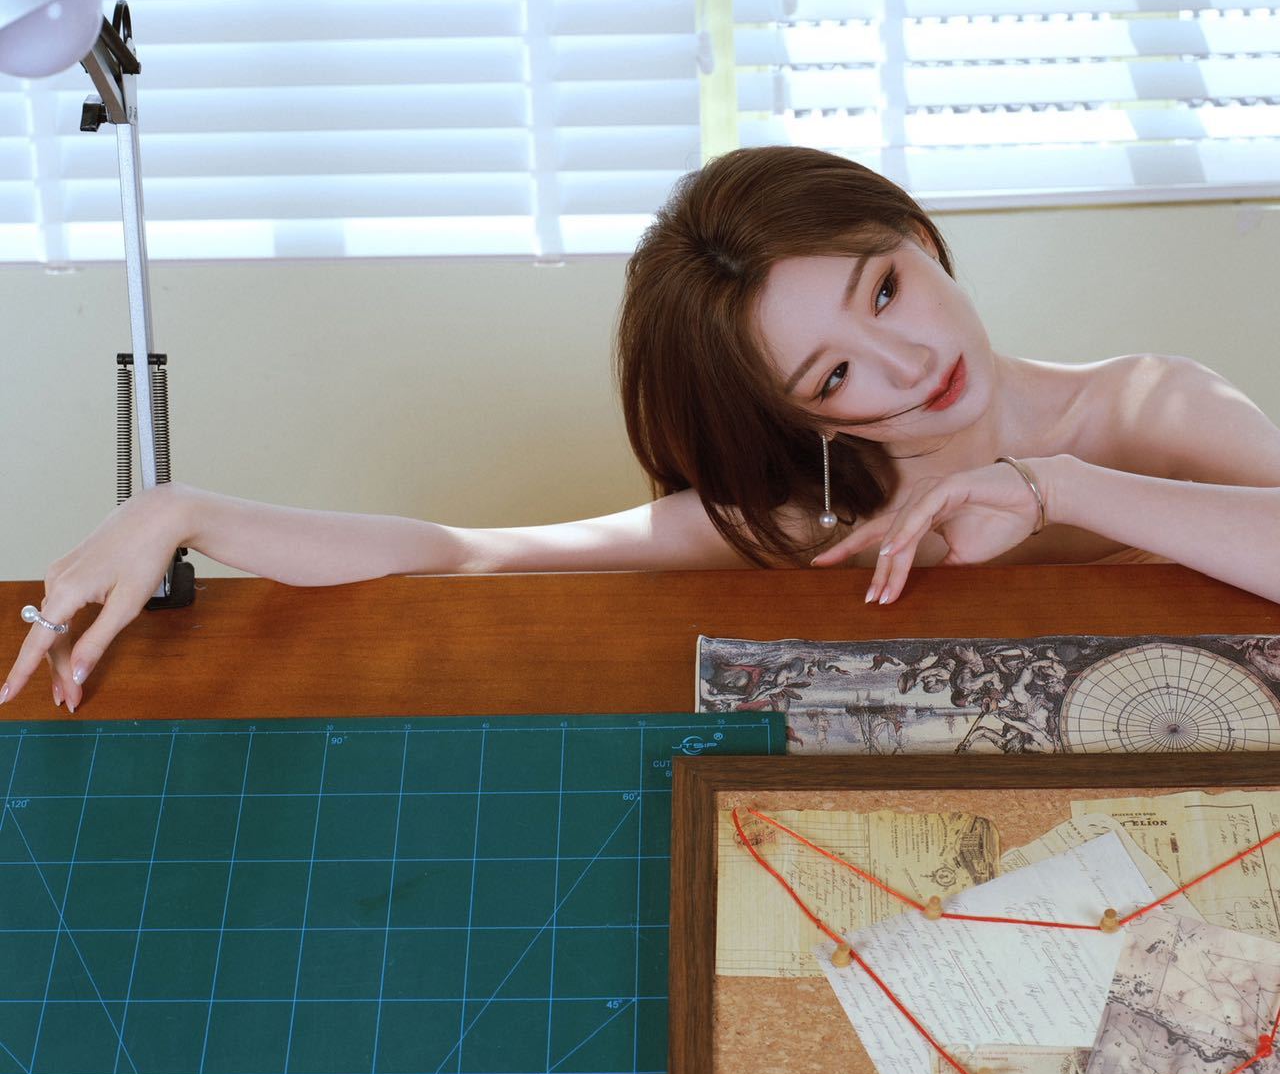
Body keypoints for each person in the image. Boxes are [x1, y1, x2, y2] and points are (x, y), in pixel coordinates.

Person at [6, 145, 1280, 716]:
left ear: (914, 234)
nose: (909, 362)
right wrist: (188, 509)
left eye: (885, 287)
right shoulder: (805, 522)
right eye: (834, 372)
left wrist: (1061, 489)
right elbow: (466, 555)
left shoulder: (1145, 410)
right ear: (790, 412)